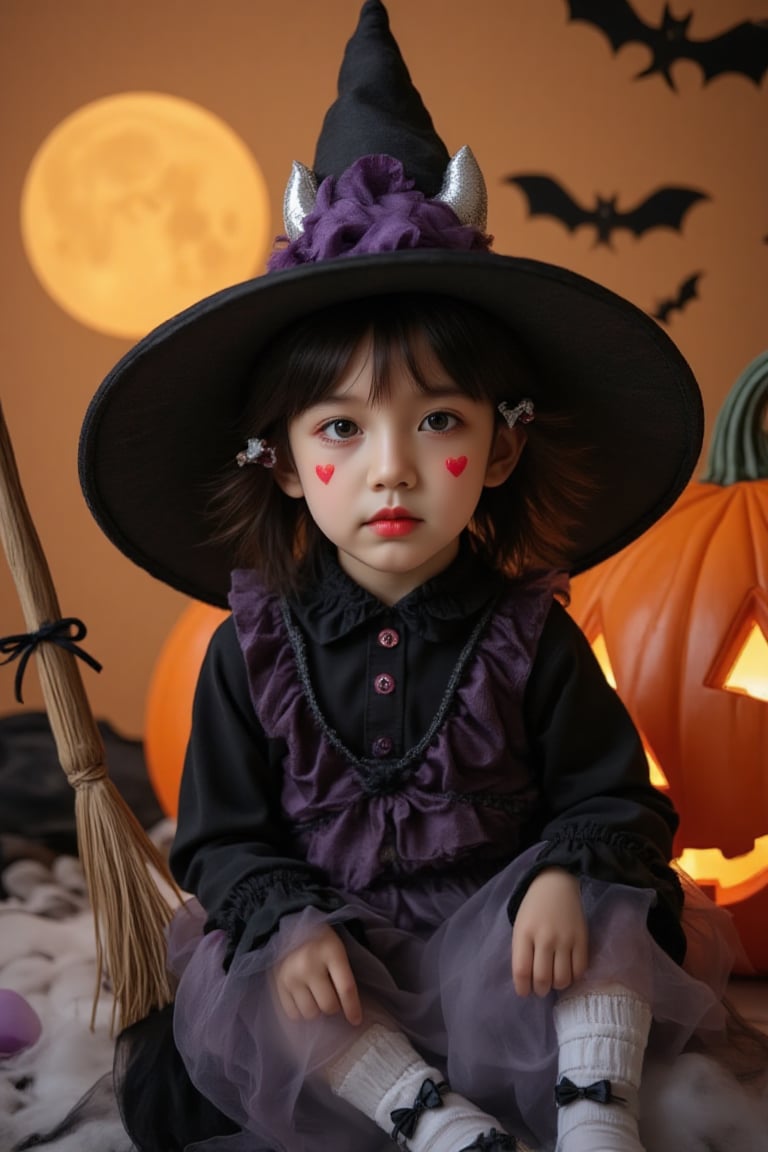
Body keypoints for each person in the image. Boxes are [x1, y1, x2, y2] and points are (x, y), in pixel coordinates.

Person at [78, 3, 765, 1151]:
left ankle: (598, 1114)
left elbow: (618, 799)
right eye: (339, 429)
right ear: (285, 464)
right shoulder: (253, 652)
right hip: (344, 971)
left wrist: (557, 875)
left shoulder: (527, 633)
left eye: (435, 419)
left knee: (612, 896)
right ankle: (429, 1118)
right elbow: (222, 837)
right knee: (247, 970)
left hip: (503, 960)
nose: (389, 468)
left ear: (498, 450)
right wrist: (289, 923)